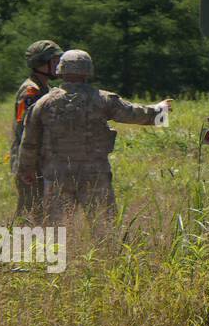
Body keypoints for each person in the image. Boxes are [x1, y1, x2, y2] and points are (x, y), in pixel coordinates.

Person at [15, 49, 172, 222]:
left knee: (57, 233)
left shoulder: (43, 103)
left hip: (57, 176)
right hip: (95, 175)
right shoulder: (102, 99)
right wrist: (160, 111)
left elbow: (29, 141)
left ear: (61, 70)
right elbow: (133, 113)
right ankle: (107, 251)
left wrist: (26, 170)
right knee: (104, 230)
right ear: (88, 71)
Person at [11, 40, 62, 219]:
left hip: (42, 159)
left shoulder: (46, 88)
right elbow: (24, 128)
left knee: (40, 211)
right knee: (30, 211)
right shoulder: (31, 91)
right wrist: (27, 165)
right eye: (55, 61)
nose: (59, 65)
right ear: (41, 63)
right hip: (30, 160)